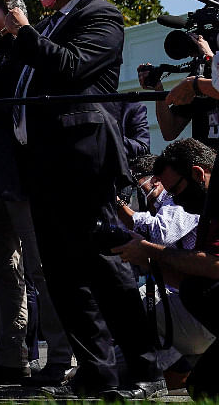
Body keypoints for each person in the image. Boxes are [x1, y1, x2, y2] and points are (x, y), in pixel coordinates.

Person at [0, 0, 164, 399]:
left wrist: (26, 32)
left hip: (84, 161)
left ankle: (146, 371)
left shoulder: (101, 16)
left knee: (105, 268)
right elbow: (4, 84)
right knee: (65, 276)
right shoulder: (47, 26)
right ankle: (95, 372)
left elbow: (73, 69)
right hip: (41, 167)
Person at [0, 0, 71, 386]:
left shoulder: (33, 50)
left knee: (41, 270)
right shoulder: (0, 60)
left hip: (24, 180)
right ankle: (12, 356)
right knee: (3, 273)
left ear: (14, 21)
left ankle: (61, 357)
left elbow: (9, 92)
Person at [113, 137, 219, 399]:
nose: (175, 200)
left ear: (197, 173)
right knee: (202, 389)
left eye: (177, 191)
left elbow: (215, 266)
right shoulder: (206, 208)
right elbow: (189, 279)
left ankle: (163, 370)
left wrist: (151, 250)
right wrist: (148, 261)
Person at [139, 32, 219, 151]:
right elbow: (169, 131)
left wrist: (210, 58)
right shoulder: (198, 78)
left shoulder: (194, 82)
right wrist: (158, 88)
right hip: (207, 164)